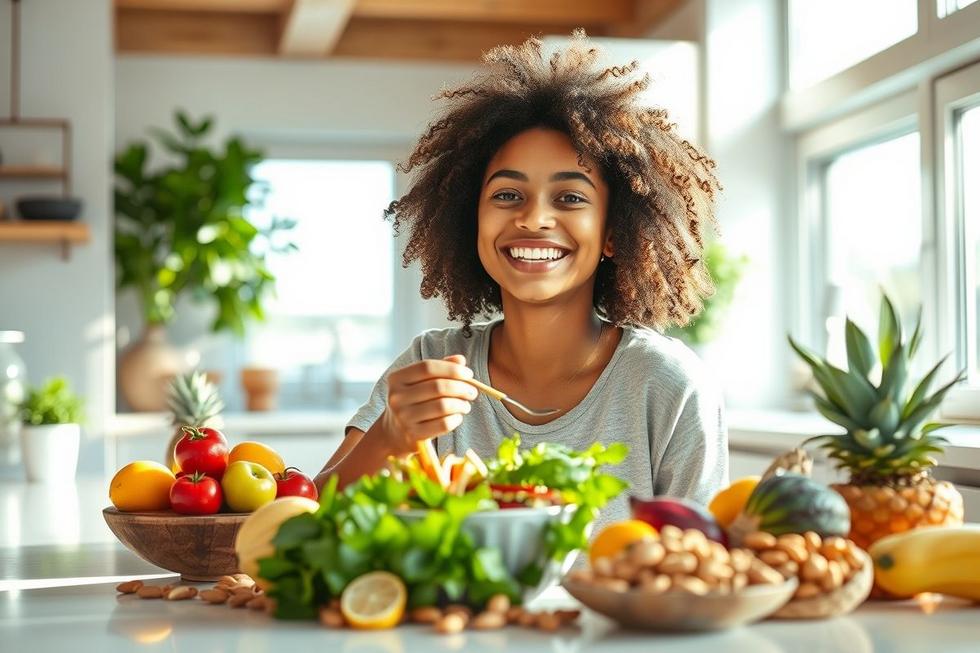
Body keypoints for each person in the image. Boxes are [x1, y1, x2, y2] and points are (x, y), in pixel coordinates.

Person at [315, 30, 728, 525]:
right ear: (471, 219)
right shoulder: (430, 364)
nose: (533, 219)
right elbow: (300, 525)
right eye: (507, 195)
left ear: (613, 233)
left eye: (570, 198)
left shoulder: (668, 385)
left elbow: (701, 558)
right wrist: (387, 438)